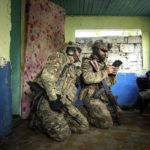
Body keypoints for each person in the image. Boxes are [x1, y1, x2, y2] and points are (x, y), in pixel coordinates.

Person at [28, 41, 89, 141]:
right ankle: (37, 121)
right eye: (78, 51)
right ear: (70, 50)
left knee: (83, 126)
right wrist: (53, 99)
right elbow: (47, 77)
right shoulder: (59, 57)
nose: (80, 54)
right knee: (63, 135)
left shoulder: (72, 67)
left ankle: (56, 121)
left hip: (61, 101)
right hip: (47, 98)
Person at [80, 40, 122, 129]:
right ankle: (87, 113)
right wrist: (105, 71)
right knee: (106, 123)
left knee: (119, 115)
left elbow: (109, 83)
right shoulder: (87, 61)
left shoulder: (103, 64)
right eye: (103, 51)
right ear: (96, 50)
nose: (105, 53)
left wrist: (113, 75)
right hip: (91, 96)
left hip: (104, 95)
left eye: (106, 51)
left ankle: (98, 112)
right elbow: (87, 79)